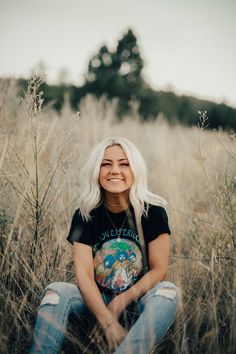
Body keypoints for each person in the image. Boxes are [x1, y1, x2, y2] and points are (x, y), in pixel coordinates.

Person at [30, 137, 180, 354]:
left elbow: (159, 270)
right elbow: (83, 275)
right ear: (96, 171)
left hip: (137, 301)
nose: (115, 170)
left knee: (169, 292)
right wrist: (107, 321)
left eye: (124, 163)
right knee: (55, 292)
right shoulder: (85, 215)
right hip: (94, 302)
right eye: (106, 164)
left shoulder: (153, 212)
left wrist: (118, 304)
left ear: (135, 169)